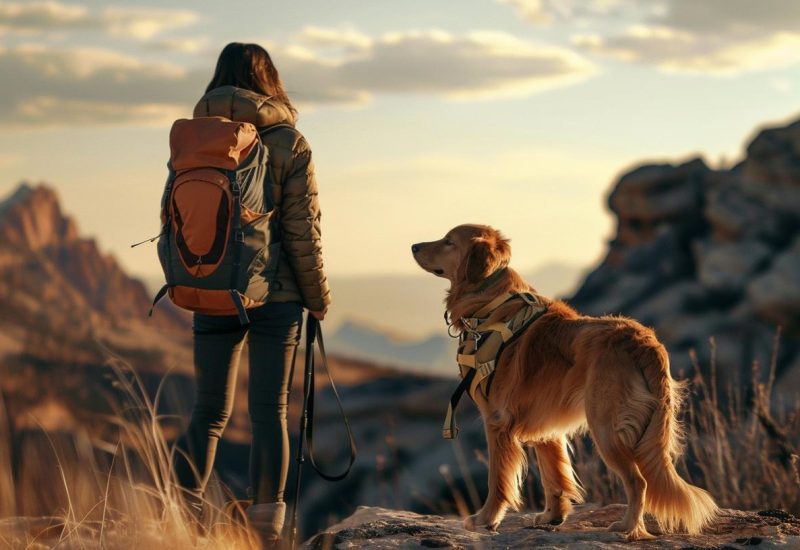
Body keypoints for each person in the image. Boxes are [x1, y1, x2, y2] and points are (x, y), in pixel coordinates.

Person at [173, 42, 331, 547]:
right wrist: (317, 296)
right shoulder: (289, 141)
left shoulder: (195, 137)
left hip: (209, 284)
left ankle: (180, 519)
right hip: (275, 297)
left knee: (208, 412)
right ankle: (267, 535)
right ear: (270, 81)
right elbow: (302, 230)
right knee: (268, 414)